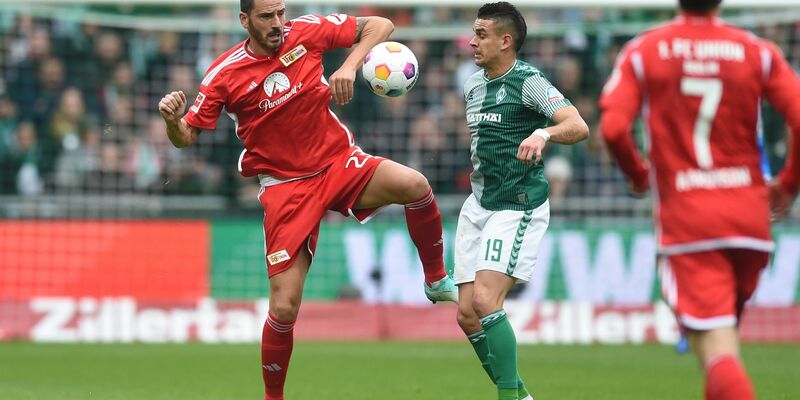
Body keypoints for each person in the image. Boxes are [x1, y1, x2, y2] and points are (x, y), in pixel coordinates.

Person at [156, 1, 458, 399]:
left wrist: (349, 66)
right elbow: (186, 137)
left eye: (281, 13)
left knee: (415, 185)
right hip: (286, 188)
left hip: (337, 163)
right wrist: (171, 122)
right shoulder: (223, 75)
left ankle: (435, 278)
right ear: (244, 20)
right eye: (267, 16)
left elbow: (381, 25)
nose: (278, 23)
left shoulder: (307, 31)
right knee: (284, 307)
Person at [598, 1, 800, 399]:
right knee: (723, 345)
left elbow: (614, 128)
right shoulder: (756, 51)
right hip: (751, 222)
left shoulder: (645, 51)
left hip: (690, 224)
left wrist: (639, 176)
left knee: (717, 353)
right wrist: (789, 184)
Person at [455, 3, 589, 400]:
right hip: (478, 204)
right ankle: (523, 396)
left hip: (517, 205)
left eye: (481, 34)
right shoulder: (472, 85)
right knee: (467, 314)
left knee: (485, 300)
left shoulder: (528, 80)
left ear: (505, 41)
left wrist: (543, 134)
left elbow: (578, 125)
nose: (472, 41)